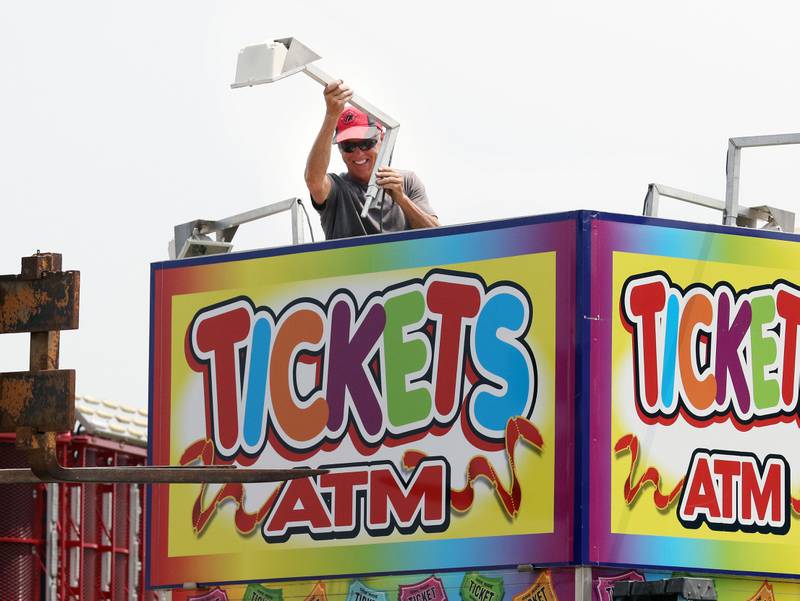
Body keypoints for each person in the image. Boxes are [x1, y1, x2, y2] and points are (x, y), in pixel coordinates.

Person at [304, 80, 439, 240]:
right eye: (348, 146)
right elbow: (314, 180)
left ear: (382, 139)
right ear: (340, 150)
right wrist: (331, 115)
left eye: (366, 143)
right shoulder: (337, 189)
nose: (358, 153)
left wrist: (402, 199)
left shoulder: (407, 181)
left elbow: (438, 236)